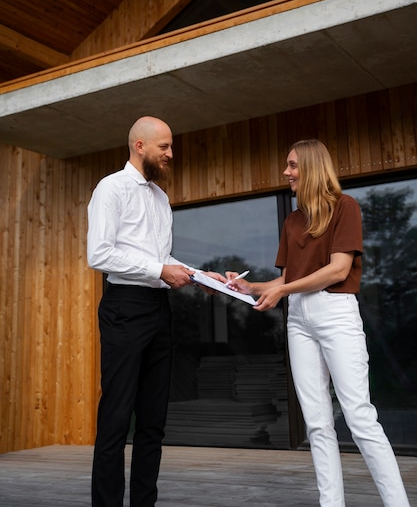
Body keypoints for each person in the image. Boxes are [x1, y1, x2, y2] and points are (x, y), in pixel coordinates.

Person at [227, 139, 410, 507]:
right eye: (287, 165)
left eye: (292, 165)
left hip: (335, 314)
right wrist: (249, 286)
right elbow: (285, 280)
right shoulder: (293, 220)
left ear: (310, 167)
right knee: (317, 423)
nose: (286, 172)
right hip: (299, 319)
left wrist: (283, 291)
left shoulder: (345, 207)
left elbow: (338, 270)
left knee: (358, 417)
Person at [87, 116, 225, 507]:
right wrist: (159, 270)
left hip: (158, 309)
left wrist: (200, 276)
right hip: (124, 309)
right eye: (164, 146)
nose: (170, 153)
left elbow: (160, 258)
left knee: (153, 422)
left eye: (171, 146)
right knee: (116, 419)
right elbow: (100, 254)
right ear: (139, 146)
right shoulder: (110, 189)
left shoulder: (162, 199)